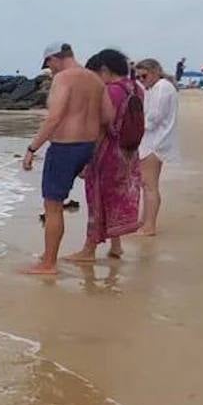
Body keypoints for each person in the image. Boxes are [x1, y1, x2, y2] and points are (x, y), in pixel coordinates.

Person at [20, 42, 104, 275]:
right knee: (56, 204)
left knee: (53, 206)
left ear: (54, 59)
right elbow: (108, 117)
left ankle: (48, 263)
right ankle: (50, 256)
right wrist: (91, 153)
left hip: (65, 146)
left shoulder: (64, 79)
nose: (51, 71)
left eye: (49, 66)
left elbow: (54, 117)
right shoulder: (96, 80)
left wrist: (32, 149)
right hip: (87, 146)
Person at [66, 50, 142, 262]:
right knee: (115, 198)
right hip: (129, 152)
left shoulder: (110, 92)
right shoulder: (135, 88)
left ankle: (89, 250)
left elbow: (99, 127)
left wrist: (86, 160)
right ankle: (116, 245)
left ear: (105, 70)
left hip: (108, 152)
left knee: (97, 199)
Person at [134, 58, 180, 236]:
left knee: (150, 186)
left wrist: (134, 126)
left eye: (143, 76)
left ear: (154, 72)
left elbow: (154, 118)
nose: (141, 80)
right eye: (138, 77)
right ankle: (145, 221)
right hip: (153, 141)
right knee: (147, 185)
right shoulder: (157, 88)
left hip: (155, 143)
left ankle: (149, 225)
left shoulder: (162, 87)